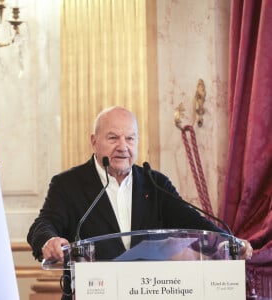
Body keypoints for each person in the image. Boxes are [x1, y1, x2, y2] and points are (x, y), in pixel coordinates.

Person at [27, 106, 252, 299]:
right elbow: (44, 224)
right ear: (94, 141)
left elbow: (192, 220)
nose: (123, 146)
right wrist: (50, 240)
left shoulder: (155, 183)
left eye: (130, 138)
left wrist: (227, 242)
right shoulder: (68, 184)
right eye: (113, 137)